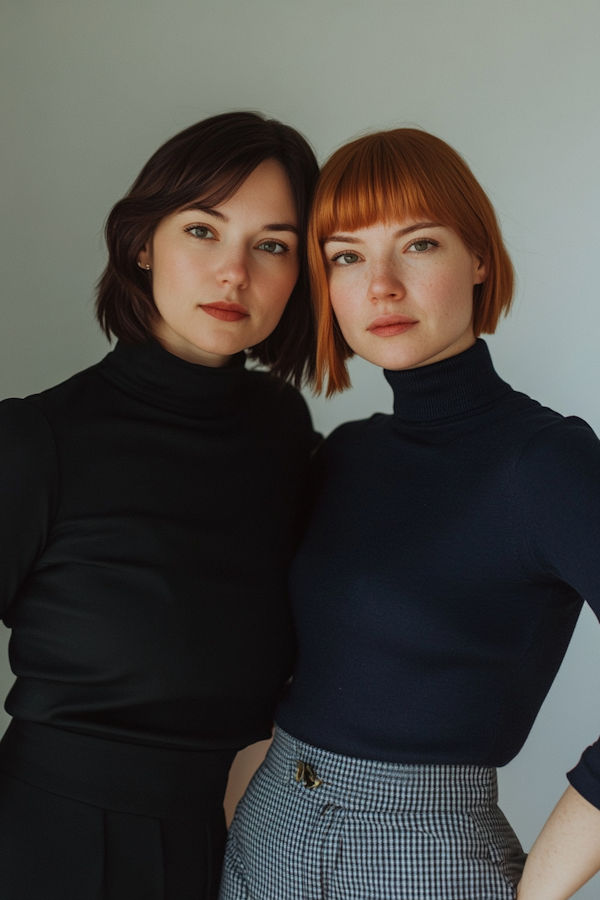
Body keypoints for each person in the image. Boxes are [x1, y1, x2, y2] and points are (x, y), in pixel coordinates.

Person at [220, 128, 600, 900]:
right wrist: (250, 766)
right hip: (264, 833)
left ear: (480, 259)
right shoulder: (346, 453)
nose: (381, 285)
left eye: (418, 245)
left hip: (418, 862)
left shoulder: (545, 463)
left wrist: (539, 892)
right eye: (347, 256)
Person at [0, 111, 319, 900]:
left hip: (232, 839)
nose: (233, 273)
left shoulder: (283, 432)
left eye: (271, 245)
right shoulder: (35, 438)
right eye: (203, 231)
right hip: (54, 842)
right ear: (144, 243)